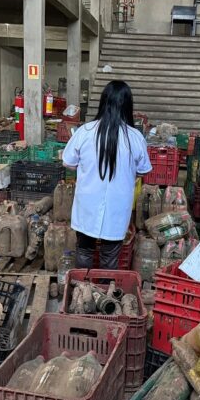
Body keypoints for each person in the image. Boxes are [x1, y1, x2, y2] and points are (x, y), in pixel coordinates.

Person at [62, 80, 152, 269]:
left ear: (103, 102)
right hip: (117, 207)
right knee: (110, 256)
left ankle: (81, 289)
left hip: (87, 203)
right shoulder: (135, 137)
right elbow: (143, 170)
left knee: (84, 250)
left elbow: (68, 163)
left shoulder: (85, 132)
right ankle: (106, 294)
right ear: (128, 106)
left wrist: (88, 168)